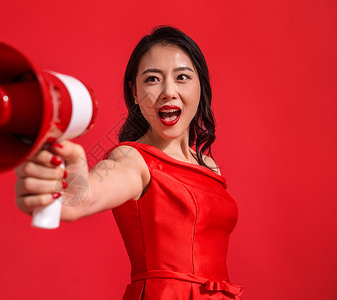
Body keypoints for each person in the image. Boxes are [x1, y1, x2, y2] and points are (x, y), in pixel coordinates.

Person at [14, 26, 244, 299]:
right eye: (152, 79)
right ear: (134, 93)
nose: (169, 91)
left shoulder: (208, 164)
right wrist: (66, 195)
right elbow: (83, 197)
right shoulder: (131, 159)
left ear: (201, 86)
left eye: (182, 77)